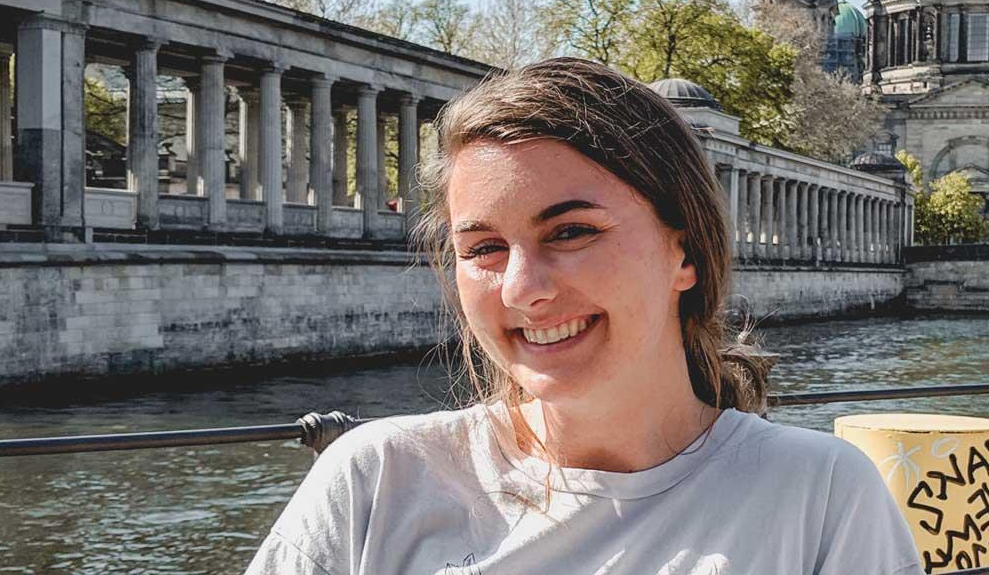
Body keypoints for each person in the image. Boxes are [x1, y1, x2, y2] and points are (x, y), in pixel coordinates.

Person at [244, 58, 922, 575]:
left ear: (683, 251)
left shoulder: (824, 493)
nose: (523, 289)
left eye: (570, 232)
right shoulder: (374, 479)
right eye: (482, 248)